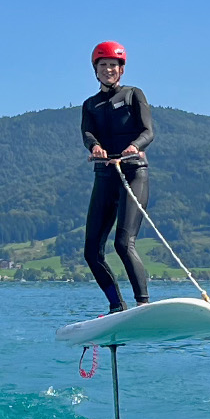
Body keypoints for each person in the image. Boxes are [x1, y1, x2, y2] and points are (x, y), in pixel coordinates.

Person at [81, 40, 154, 313]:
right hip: (105, 175)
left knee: (123, 243)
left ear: (121, 70)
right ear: (96, 70)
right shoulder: (90, 105)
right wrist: (95, 147)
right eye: (103, 65)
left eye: (113, 65)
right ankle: (116, 307)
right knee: (91, 252)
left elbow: (149, 131)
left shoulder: (134, 95)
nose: (108, 69)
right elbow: (87, 134)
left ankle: (143, 304)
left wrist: (135, 146)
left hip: (133, 172)